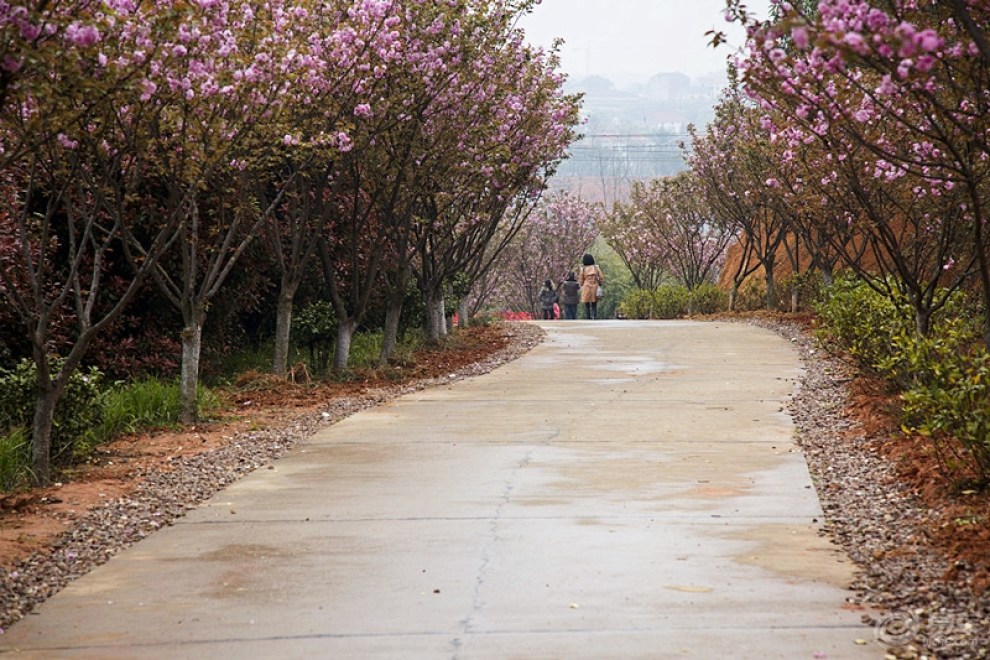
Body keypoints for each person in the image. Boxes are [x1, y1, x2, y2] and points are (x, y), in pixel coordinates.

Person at [579, 253, 604, 319]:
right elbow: (601, 277)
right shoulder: (596, 267)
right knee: (594, 303)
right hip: (595, 286)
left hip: (586, 286)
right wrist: (600, 283)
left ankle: (588, 317)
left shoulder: (583, 269)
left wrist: (581, 284)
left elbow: (581, 279)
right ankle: (594, 316)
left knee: (586, 304)